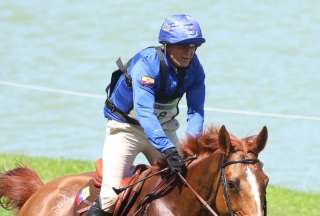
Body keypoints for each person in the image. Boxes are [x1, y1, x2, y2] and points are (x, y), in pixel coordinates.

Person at [87, 14, 206, 216]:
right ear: (166, 45)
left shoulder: (195, 69)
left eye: (193, 46)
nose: (189, 53)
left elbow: (196, 112)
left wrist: (191, 147)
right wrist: (168, 150)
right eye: (183, 46)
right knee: (109, 199)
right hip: (126, 130)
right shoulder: (147, 64)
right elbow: (144, 113)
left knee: (188, 187)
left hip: (165, 129)